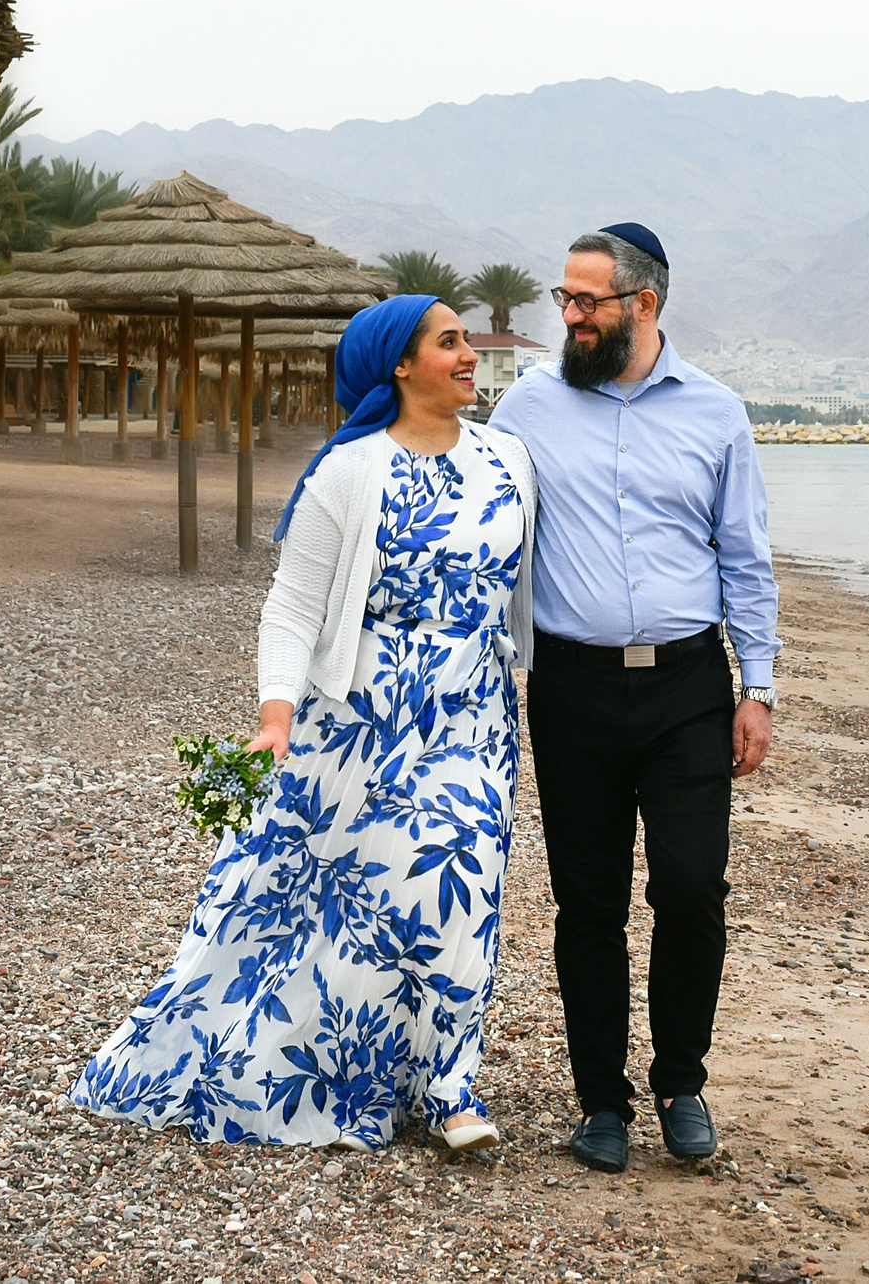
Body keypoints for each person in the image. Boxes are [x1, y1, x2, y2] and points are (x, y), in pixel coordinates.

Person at [72, 295, 538, 1151]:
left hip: (473, 712)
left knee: (462, 884)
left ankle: (449, 1088)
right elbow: (290, 609)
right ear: (400, 365)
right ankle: (349, 1066)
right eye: (451, 342)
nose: (471, 354)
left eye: (467, 339)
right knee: (359, 903)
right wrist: (275, 715)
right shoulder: (348, 471)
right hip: (361, 717)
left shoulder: (509, 460)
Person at [488, 223, 778, 1172]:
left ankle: (681, 1082)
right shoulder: (527, 407)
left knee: (692, 888)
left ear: (642, 305)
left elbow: (745, 556)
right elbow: (467, 509)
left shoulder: (717, 413)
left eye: (585, 303)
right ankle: (600, 1102)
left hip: (691, 686)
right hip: (571, 689)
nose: (567, 317)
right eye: (562, 300)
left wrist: (758, 687)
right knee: (588, 901)